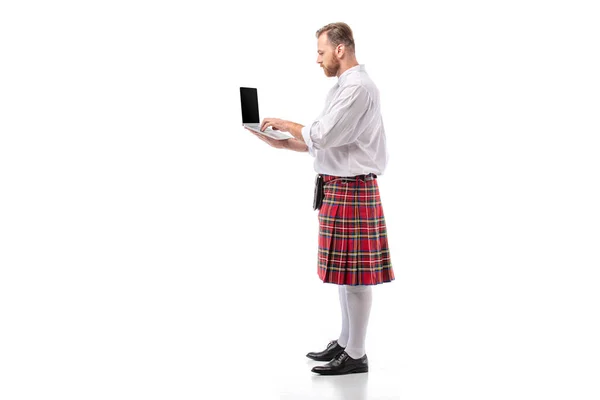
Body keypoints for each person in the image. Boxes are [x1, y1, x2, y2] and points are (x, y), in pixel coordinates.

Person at [245, 22, 394, 375]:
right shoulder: (345, 86)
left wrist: (290, 124)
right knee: (345, 275)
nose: (318, 59)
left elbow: (323, 134)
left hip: (353, 189)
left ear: (340, 49)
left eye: (321, 52)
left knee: (356, 277)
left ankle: (356, 353)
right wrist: (285, 143)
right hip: (340, 187)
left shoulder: (357, 87)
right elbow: (330, 141)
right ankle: (345, 343)